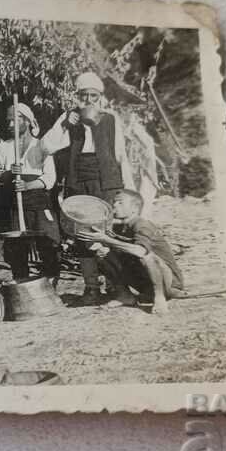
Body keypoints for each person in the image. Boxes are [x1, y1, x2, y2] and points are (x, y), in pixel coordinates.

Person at [40, 71, 136, 305]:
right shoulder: (67, 118)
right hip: (78, 181)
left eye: (94, 95)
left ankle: (116, 287)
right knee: (82, 234)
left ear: (100, 97)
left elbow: (121, 155)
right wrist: (64, 125)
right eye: (84, 95)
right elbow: (46, 147)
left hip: (107, 181)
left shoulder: (111, 118)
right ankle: (91, 287)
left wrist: (129, 189)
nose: (89, 100)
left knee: (109, 233)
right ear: (77, 96)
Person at [76, 190, 185, 314]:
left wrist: (106, 239)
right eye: (114, 202)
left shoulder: (142, 225)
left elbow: (141, 252)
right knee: (103, 253)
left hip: (170, 284)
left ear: (134, 208)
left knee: (146, 256)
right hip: (146, 284)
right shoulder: (120, 226)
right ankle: (125, 296)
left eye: (120, 203)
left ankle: (159, 298)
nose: (115, 205)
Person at [0, 103, 61, 282]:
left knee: (48, 243)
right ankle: (22, 285)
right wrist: (7, 174)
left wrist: (28, 186)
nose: (10, 125)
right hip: (14, 202)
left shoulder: (42, 146)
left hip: (38, 202)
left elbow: (50, 178)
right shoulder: (3, 148)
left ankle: (49, 285)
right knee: (16, 247)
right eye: (9, 121)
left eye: (14, 120)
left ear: (28, 121)